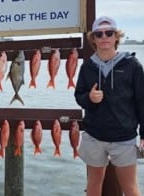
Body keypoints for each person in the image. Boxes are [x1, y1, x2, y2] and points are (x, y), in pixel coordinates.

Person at [74, 16, 144, 196]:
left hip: (124, 138)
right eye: (99, 34)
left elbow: (142, 101)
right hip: (94, 136)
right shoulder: (87, 67)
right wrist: (89, 98)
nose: (104, 37)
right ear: (93, 39)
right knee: (93, 183)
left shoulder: (132, 65)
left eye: (109, 33)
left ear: (116, 37)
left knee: (130, 187)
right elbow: (79, 96)